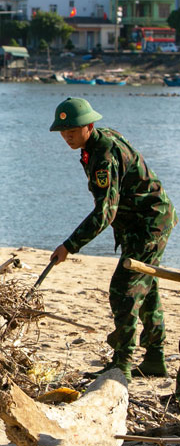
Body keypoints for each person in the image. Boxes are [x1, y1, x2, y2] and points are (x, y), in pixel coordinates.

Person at [48, 97, 176, 380]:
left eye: (72, 130)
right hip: (136, 224)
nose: (67, 136)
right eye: (63, 131)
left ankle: (123, 363)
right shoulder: (93, 146)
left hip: (150, 222)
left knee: (124, 289)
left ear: (89, 126)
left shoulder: (103, 154)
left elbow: (105, 212)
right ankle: (155, 357)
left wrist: (69, 245)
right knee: (146, 286)